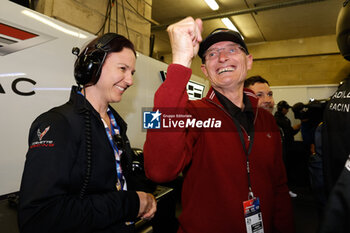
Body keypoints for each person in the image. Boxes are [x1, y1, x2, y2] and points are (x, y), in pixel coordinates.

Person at [144, 17, 294, 233]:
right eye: (212, 54)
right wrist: (179, 63)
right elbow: (159, 171)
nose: (222, 58)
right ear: (205, 70)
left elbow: (279, 185)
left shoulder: (266, 120)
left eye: (232, 50)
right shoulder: (192, 112)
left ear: (248, 61)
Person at [18, 33, 156, 233]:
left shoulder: (117, 124)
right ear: (92, 67)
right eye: (123, 69)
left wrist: (144, 195)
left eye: (132, 72)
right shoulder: (57, 123)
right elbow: (38, 217)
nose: (130, 80)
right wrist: (131, 203)